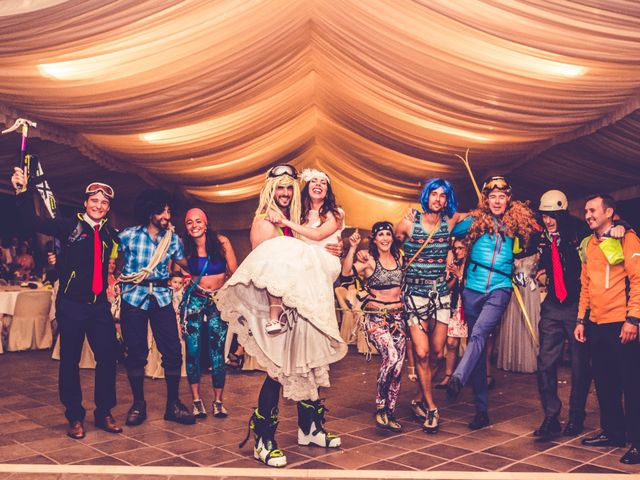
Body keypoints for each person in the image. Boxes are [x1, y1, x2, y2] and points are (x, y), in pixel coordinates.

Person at [216, 165, 346, 467]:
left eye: (290, 188)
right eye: (280, 188)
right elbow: (265, 273)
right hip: (275, 313)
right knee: (277, 373)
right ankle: (263, 439)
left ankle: (310, 429)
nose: (286, 193)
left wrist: (334, 250)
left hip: (295, 306)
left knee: (307, 365)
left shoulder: (290, 225)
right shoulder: (263, 223)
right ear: (269, 190)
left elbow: (304, 258)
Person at [11, 167, 121, 439]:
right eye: (94, 200)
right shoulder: (68, 225)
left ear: (107, 208)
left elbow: (117, 262)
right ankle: (74, 416)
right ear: (85, 204)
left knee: (108, 357)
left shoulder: (109, 234)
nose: (99, 205)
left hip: (99, 306)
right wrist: (22, 191)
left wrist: (117, 277)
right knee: (69, 361)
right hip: (71, 304)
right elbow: (30, 222)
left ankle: (104, 411)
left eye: (104, 202)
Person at [446, 176, 537, 430]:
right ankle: (481, 410)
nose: (497, 201)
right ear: (486, 199)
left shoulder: (515, 223)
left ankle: (457, 378)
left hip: (500, 288)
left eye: (502, 196)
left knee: (478, 336)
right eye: (492, 196)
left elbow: (540, 231)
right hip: (472, 289)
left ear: (509, 199)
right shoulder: (475, 222)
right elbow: (451, 228)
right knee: (478, 345)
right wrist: (466, 215)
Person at [393, 178, 470, 433]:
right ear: (426, 196)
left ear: (447, 199)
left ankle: (418, 398)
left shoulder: (450, 222)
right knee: (422, 353)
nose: (438, 199)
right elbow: (390, 241)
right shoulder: (409, 221)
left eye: (443, 196)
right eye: (434, 194)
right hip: (414, 294)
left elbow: (477, 216)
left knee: (438, 354)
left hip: (440, 294)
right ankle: (431, 407)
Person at [117, 189, 195, 426]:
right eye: (162, 210)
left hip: (161, 297)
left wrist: (204, 244)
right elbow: (111, 259)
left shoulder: (172, 240)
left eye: (169, 210)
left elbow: (186, 262)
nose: (166, 215)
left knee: (172, 351)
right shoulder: (128, 235)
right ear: (149, 210)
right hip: (133, 297)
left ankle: (173, 405)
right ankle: (138, 404)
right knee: (136, 353)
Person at [575, 194, 640, 465]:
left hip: (622, 322)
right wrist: (580, 320)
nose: (588, 214)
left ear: (609, 212)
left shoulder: (627, 238)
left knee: (632, 384)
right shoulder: (588, 244)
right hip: (596, 324)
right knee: (604, 383)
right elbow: (586, 285)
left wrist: (633, 319)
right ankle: (613, 433)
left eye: (593, 210)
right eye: (586, 210)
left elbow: (638, 279)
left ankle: (637, 443)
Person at [533, 190, 595, 440]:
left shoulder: (580, 231)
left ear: (563, 213)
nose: (548, 220)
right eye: (545, 215)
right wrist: (540, 271)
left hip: (577, 305)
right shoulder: (542, 236)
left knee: (580, 365)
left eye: (552, 215)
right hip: (552, 305)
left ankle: (576, 416)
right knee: (545, 362)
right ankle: (551, 416)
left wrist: (621, 226)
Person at [342, 222, 406, 431]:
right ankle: (380, 406)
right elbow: (346, 272)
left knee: (397, 368)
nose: (386, 238)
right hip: (376, 319)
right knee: (392, 358)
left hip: (398, 319)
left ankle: (390, 410)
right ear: (375, 239)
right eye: (381, 235)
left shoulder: (400, 257)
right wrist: (353, 248)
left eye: (388, 234)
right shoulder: (369, 260)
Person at [180, 207, 238, 419]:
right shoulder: (184, 248)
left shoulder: (221, 242)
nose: (194, 225)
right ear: (186, 227)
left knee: (217, 352)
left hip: (218, 301)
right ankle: (196, 401)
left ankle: (218, 402)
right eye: (189, 222)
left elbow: (233, 271)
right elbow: (174, 267)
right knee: (193, 351)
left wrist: (226, 295)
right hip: (195, 300)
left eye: (198, 221)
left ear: (206, 224)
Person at [435, 239, 468, 389]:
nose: (458, 251)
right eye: (456, 249)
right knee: (451, 343)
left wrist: (461, 275)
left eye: (461, 248)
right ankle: (448, 376)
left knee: (472, 343)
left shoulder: (473, 265)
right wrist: (453, 275)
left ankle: (469, 375)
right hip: (455, 306)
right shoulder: (456, 264)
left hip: (470, 306)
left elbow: (473, 286)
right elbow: (447, 288)